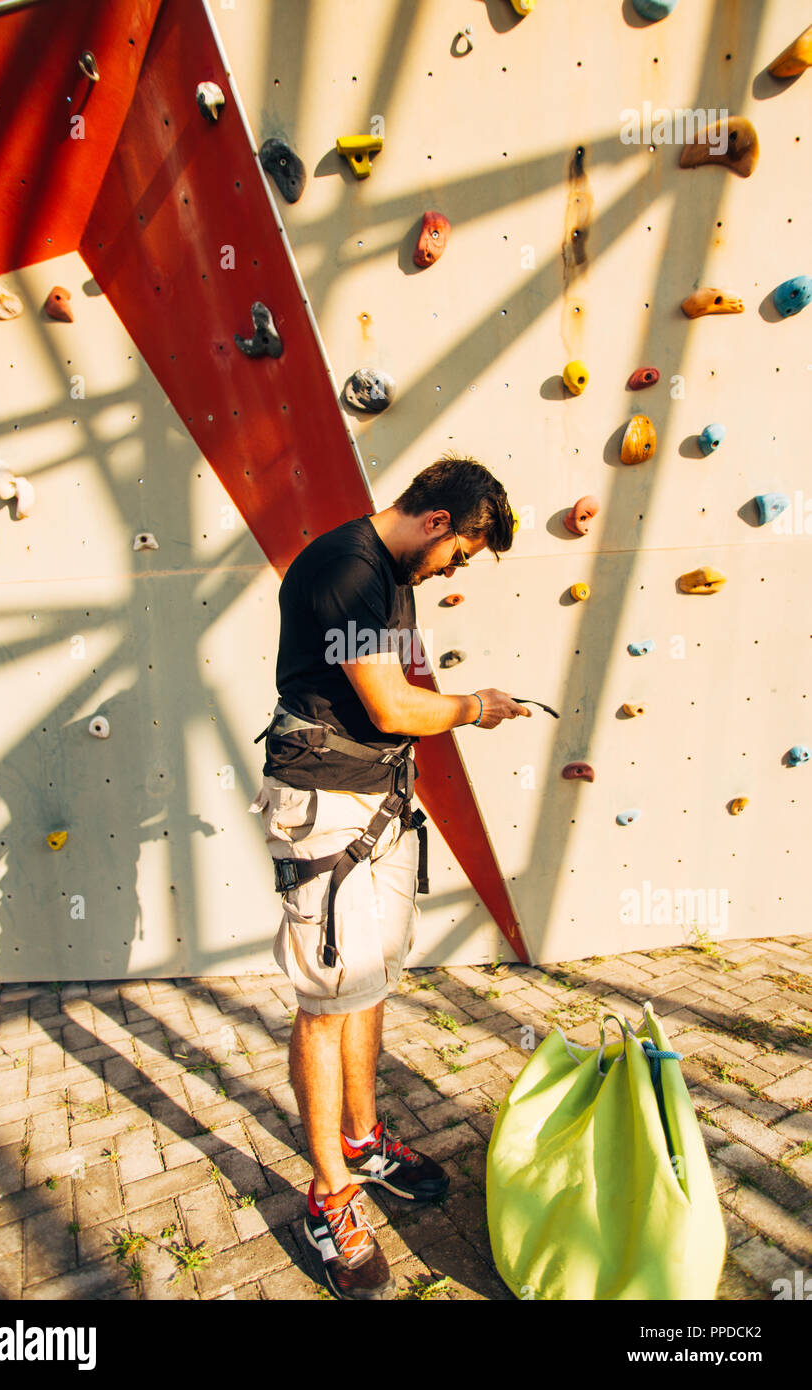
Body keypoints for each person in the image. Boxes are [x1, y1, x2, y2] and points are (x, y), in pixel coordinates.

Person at [248, 455, 527, 1299]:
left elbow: (389, 701)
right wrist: (476, 706)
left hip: (375, 806)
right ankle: (328, 1192)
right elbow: (394, 708)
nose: (456, 570)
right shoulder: (347, 569)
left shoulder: (392, 578)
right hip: (324, 811)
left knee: (367, 986)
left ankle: (364, 1140)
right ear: (440, 522)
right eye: (463, 554)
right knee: (328, 1001)